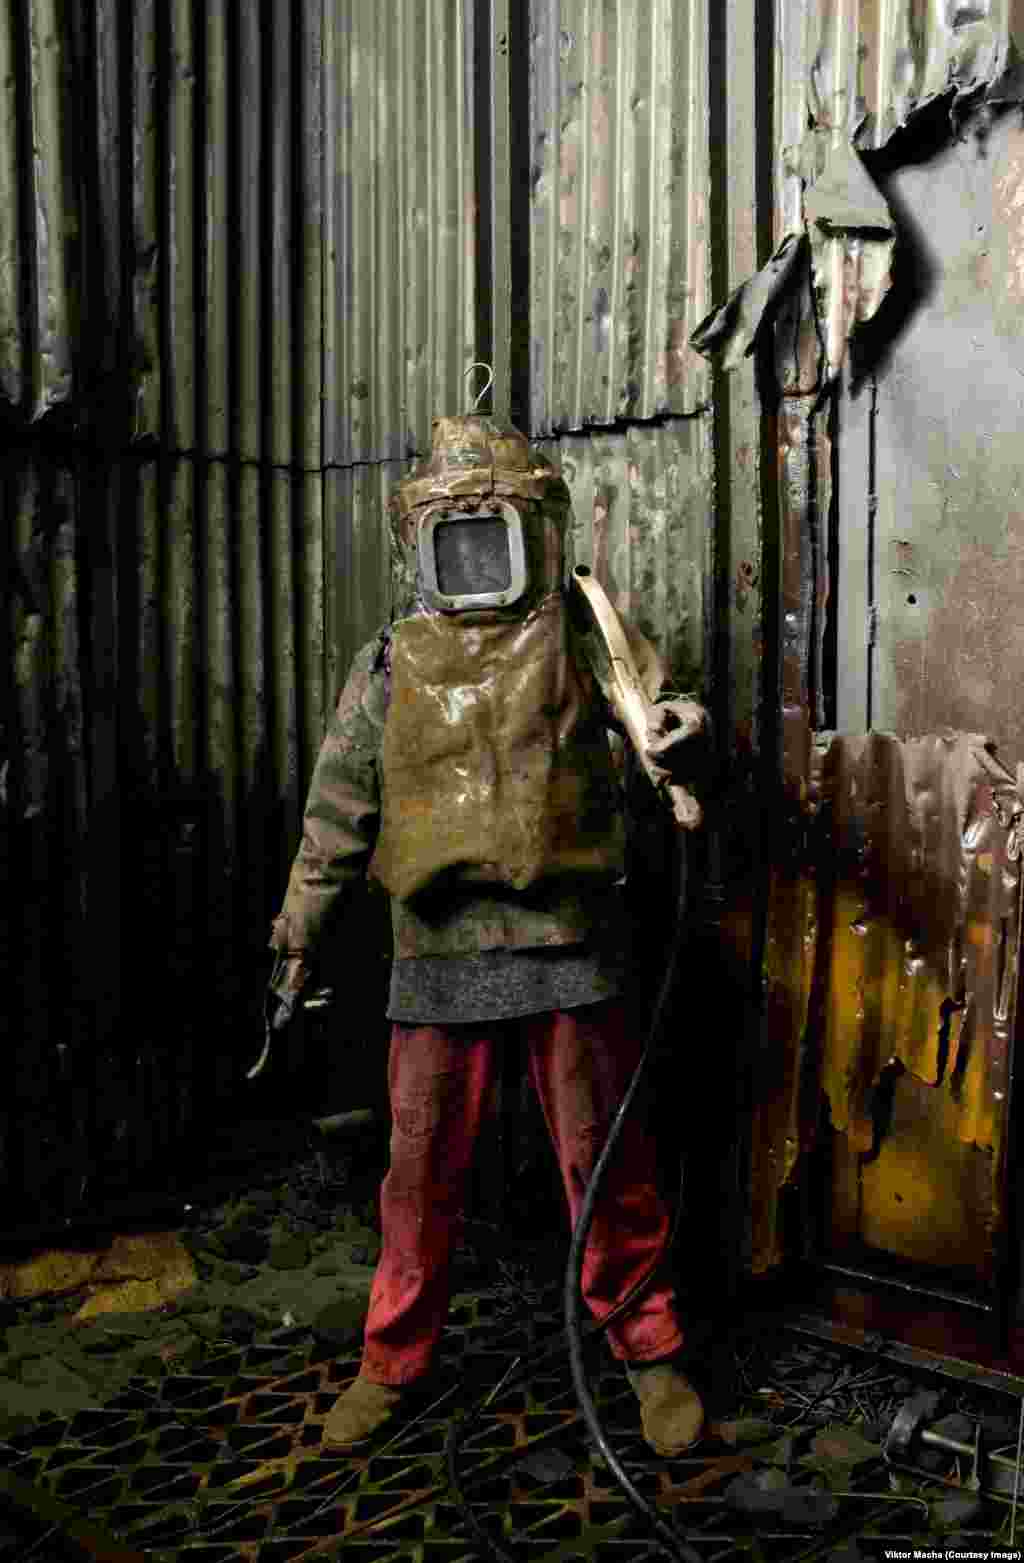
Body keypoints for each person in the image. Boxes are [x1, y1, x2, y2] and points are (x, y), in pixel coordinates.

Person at [267, 414, 709, 1455]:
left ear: (535, 528)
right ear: (420, 539)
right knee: (417, 1175)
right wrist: (297, 932)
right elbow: (337, 812)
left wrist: (685, 729)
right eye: (452, 531)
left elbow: (663, 711)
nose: (473, 548)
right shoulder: (388, 663)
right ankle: (392, 1361)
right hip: (436, 950)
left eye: (494, 525)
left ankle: (651, 1353)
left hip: (567, 936)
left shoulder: (586, 633)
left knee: (606, 1165)